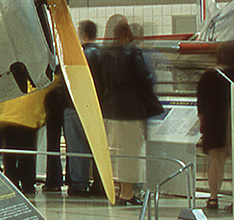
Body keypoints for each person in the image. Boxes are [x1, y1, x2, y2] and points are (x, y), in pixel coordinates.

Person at [97, 16, 163, 205]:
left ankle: (118, 190)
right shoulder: (133, 54)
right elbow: (144, 80)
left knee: (116, 152)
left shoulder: (105, 55)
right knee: (132, 154)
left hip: (112, 110)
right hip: (132, 111)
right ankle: (127, 192)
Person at [63, 20, 103, 198]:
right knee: (98, 147)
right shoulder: (104, 54)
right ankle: (100, 183)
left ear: (83, 34)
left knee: (78, 146)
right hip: (99, 108)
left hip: (78, 107)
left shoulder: (79, 55)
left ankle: (80, 184)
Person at [196, 40, 234, 211]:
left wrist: (202, 122)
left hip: (213, 123)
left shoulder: (207, 76)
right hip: (233, 122)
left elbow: (201, 103)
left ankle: (213, 198)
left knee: (215, 162)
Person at [0, 83, 48, 195]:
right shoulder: (36, 82)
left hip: (6, 118)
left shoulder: (9, 81)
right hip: (27, 120)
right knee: (26, 156)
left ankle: (12, 184)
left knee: (9, 155)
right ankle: (28, 186)